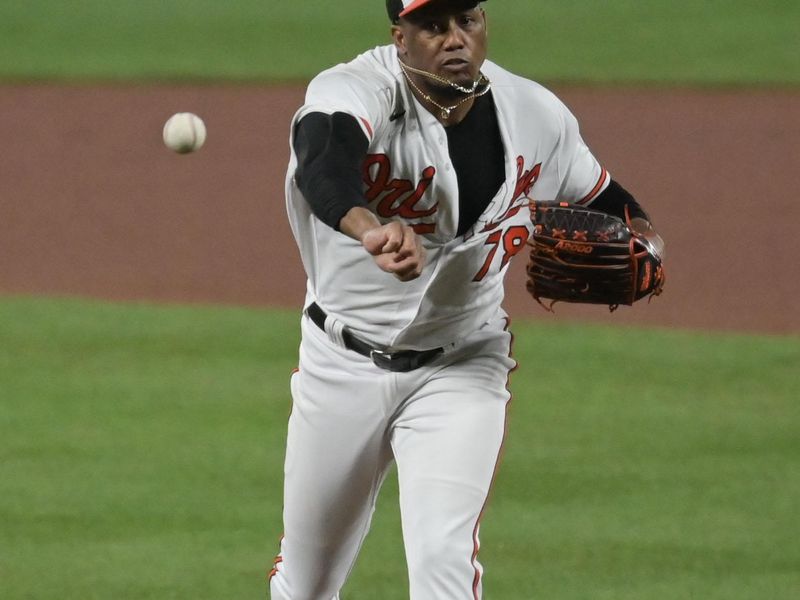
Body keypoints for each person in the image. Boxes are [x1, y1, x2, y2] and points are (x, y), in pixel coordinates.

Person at [268, 0, 665, 598]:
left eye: (467, 20)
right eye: (433, 25)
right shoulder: (355, 90)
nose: (454, 38)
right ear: (399, 37)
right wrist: (366, 227)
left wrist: (648, 243)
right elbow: (322, 159)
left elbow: (613, 202)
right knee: (306, 583)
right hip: (339, 364)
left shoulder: (534, 113)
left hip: (462, 364)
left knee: (442, 561)